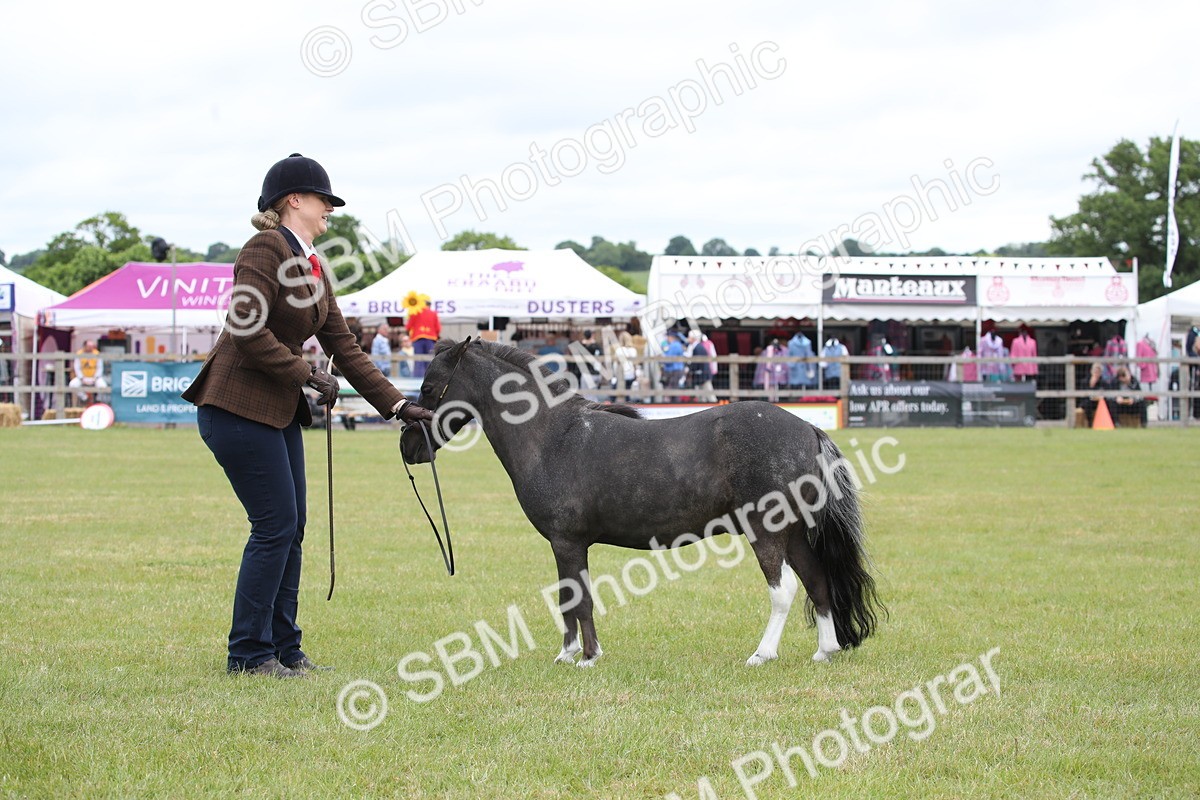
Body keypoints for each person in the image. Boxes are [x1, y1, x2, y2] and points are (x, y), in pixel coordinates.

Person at [182, 154, 433, 679]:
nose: (329, 212)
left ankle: (284, 647)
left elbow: (343, 345)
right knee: (274, 526)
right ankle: (249, 654)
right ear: (294, 200)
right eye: (324, 202)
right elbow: (246, 326)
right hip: (234, 407)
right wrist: (303, 372)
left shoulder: (313, 264)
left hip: (273, 411)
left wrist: (398, 405)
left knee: (292, 527)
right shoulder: (265, 248)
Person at [406, 301, 440, 377]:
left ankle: (417, 383)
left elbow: (408, 326)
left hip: (418, 338)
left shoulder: (415, 312)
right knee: (430, 361)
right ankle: (429, 379)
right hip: (431, 339)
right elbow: (438, 328)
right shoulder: (434, 313)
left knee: (418, 361)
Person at [69, 340, 107, 404]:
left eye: (92, 346)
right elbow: (77, 367)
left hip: (94, 377)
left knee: (103, 386)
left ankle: (98, 399)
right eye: (89, 346)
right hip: (83, 377)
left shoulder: (97, 354)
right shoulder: (79, 354)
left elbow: (100, 368)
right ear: (85, 346)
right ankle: (85, 398)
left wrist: (95, 378)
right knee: (72, 385)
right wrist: (82, 378)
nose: (91, 348)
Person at [685, 329, 717, 402]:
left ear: (693, 338)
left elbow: (698, 362)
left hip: (703, 375)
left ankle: (716, 408)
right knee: (703, 395)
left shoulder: (698, 348)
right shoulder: (696, 347)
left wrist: (690, 369)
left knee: (709, 394)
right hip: (701, 375)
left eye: (689, 337)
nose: (688, 339)